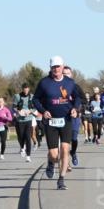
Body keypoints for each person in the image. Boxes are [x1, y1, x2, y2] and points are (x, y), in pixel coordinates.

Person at [32, 56, 82, 191]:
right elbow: (35, 99)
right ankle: (50, 162)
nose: (56, 69)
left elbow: (78, 97)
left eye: (58, 66)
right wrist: (43, 111)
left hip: (66, 120)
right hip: (51, 121)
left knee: (65, 149)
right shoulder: (44, 83)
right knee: (54, 155)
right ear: (50, 68)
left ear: (62, 66)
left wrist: (75, 109)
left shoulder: (70, 82)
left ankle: (61, 179)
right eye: (54, 67)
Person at [62, 65, 87, 167]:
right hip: (63, 116)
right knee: (65, 141)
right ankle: (65, 163)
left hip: (75, 116)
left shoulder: (76, 87)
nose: (66, 76)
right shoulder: (59, 87)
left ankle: (73, 152)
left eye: (68, 74)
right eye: (64, 74)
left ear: (71, 75)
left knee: (74, 139)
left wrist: (78, 110)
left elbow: (84, 100)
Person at [12, 82, 37, 163]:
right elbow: (14, 107)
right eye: (24, 88)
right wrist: (18, 111)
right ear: (22, 89)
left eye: (27, 88)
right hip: (20, 119)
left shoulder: (32, 96)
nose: (26, 90)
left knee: (28, 137)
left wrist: (30, 112)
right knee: (21, 136)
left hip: (28, 119)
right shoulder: (17, 96)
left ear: (29, 89)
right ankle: (22, 148)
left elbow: (35, 108)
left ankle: (28, 156)